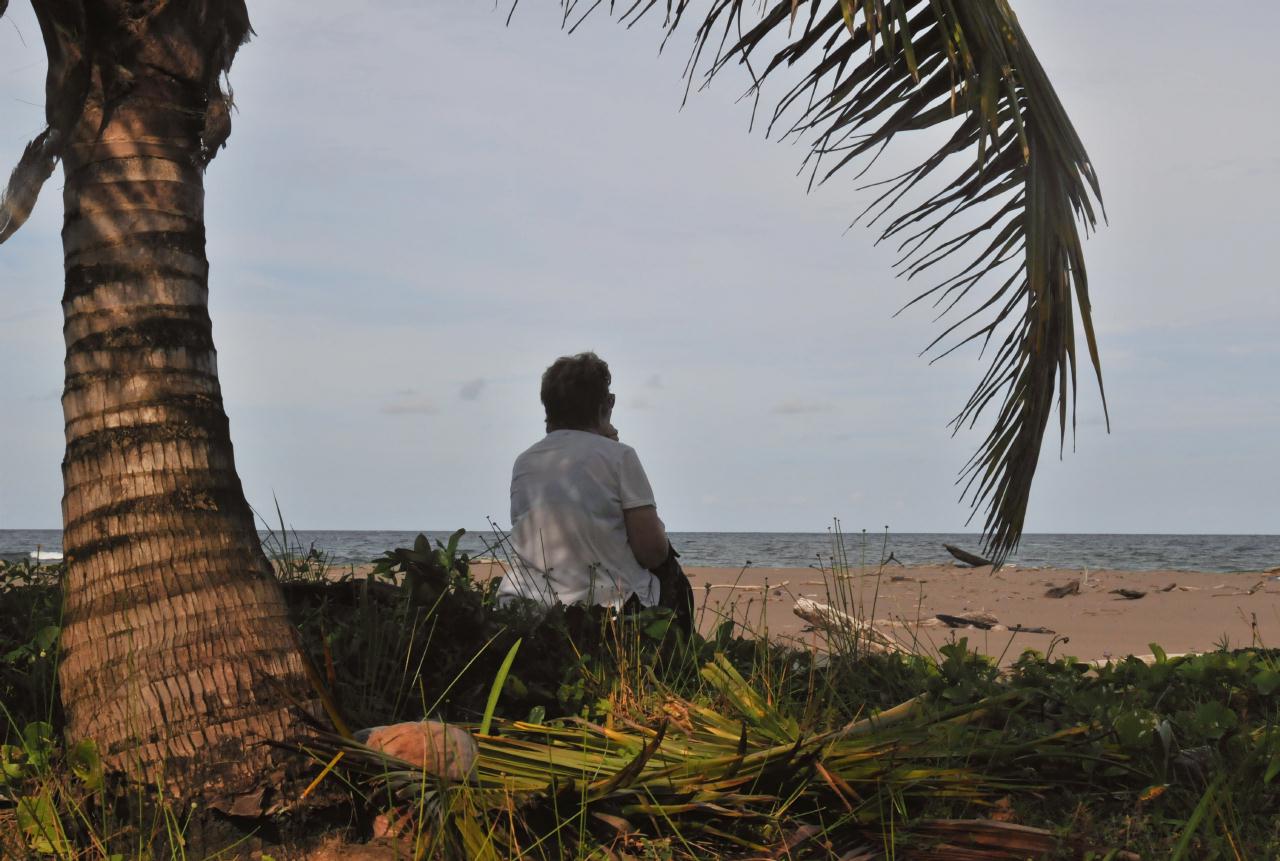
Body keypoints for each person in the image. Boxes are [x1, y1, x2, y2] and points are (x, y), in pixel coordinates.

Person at [496, 352, 694, 633]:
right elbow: (652, 551)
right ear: (603, 405)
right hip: (606, 610)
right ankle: (676, 663)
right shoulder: (619, 457)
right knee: (673, 576)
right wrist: (611, 444)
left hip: (530, 604)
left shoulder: (525, 462)